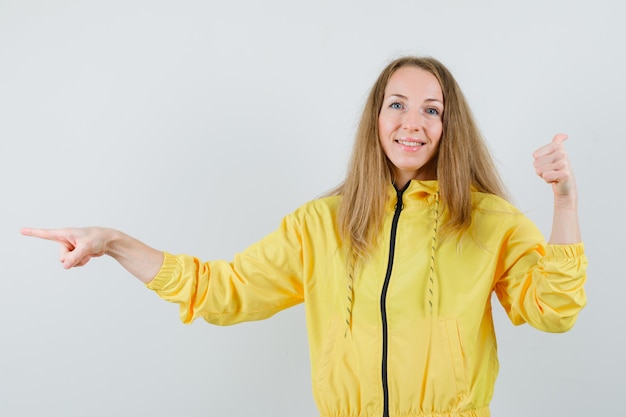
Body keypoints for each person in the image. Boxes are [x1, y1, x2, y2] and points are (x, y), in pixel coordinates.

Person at [21, 56, 587, 417]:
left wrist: (564, 199)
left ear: (449, 126)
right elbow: (222, 291)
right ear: (376, 119)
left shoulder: (489, 222)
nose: (412, 122)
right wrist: (115, 241)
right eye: (397, 104)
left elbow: (555, 311)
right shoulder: (322, 225)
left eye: (432, 110)